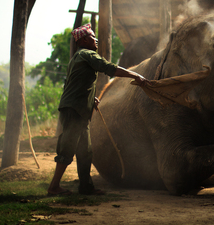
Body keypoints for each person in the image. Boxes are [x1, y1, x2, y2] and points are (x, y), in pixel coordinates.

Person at [47, 23, 148, 196]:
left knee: (85, 151)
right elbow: (108, 68)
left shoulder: (77, 58)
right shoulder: (87, 54)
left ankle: (86, 187)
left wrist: (90, 98)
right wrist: (135, 75)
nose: (96, 39)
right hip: (75, 110)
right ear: (84, 40)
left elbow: (76, 83)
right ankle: (54, 187)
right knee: (67, 148)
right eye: (93, 37)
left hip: (79, 109)